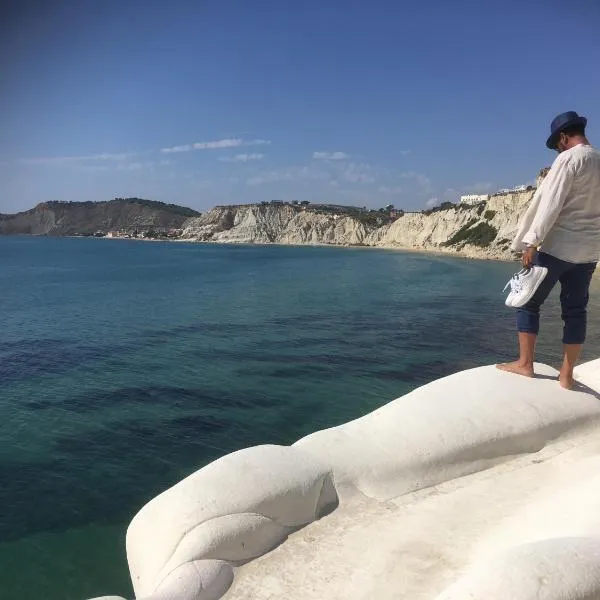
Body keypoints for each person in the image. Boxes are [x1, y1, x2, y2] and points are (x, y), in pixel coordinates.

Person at [497, 111, 600, 389]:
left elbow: (550, 204)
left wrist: (531, 242)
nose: (558, 151)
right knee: (576, 311)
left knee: (527, 301)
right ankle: (566, 376)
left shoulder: (569, 159)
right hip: (589, 251)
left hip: (557, 247)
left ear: (563, 137)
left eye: (557, 146)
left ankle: (525, 364)